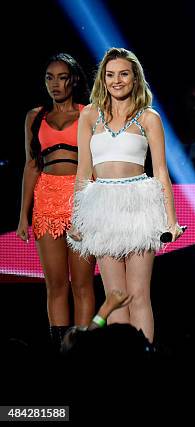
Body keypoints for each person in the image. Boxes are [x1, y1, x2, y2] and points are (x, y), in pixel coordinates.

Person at [67, 47, 183, 344]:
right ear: (102, 80)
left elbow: (160, 171)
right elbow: (83, 172)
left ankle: (145, 363)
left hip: (139, 205)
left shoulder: (148, 118)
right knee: (115, 296)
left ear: (135, 78)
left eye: (123, 74)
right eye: (110, 75)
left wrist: (171, 220)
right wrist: (76, 218)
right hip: (101, 206)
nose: (116, 80)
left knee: (138, 294)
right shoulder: (89, 116)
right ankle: (120, 364)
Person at [16, 53, 95, 349]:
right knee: (56, 284)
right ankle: (60, 352)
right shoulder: (35, 116)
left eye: (62, 77)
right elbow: (31, 165)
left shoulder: (89, 113)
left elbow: (96, 162)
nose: (55, 84)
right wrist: (23, 215)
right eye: (49, 77)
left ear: (73, 79)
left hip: (81, 198)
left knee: (82, 283)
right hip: (46, 199)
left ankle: (84, 350)